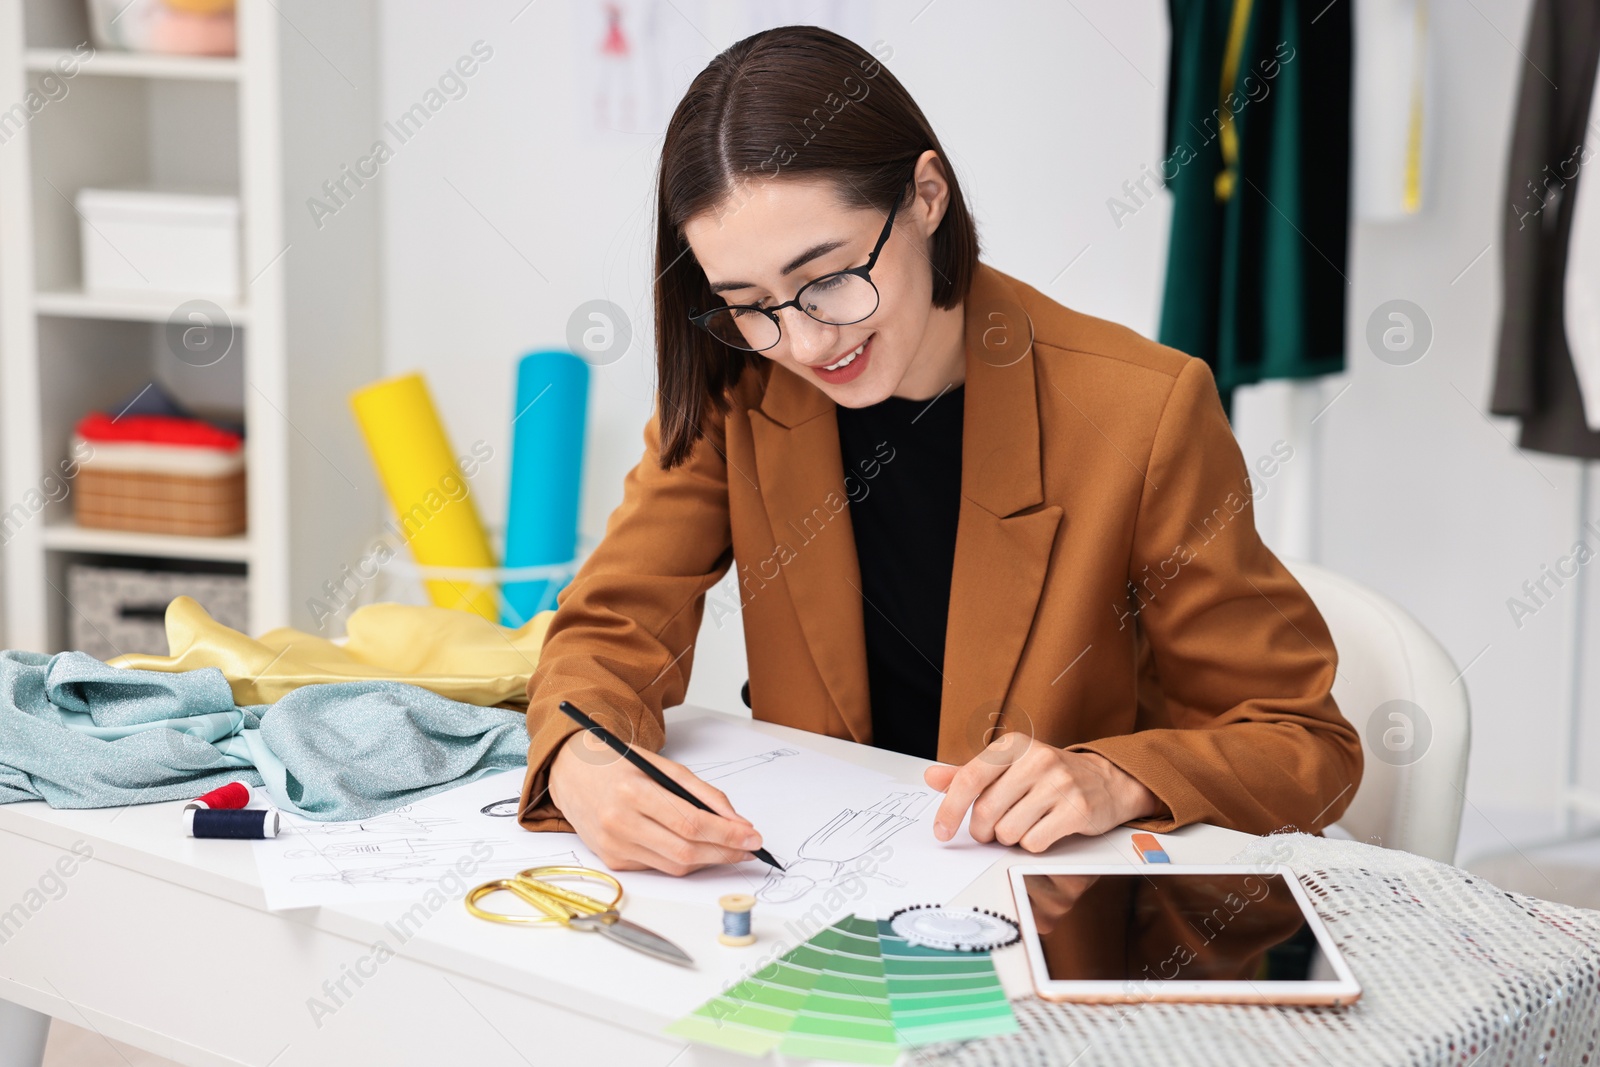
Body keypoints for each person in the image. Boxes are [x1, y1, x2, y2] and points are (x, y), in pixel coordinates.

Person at [516, 25, 1363, 876]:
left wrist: (1115, 778)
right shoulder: (738, 384)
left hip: (1051, 909)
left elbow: (1302, 743)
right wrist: (582, 762)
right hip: (817, 884)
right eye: (749, 301)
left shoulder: (1143, 409)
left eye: (827, 279)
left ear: (927, 196)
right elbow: (609, 629)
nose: (805, 343)